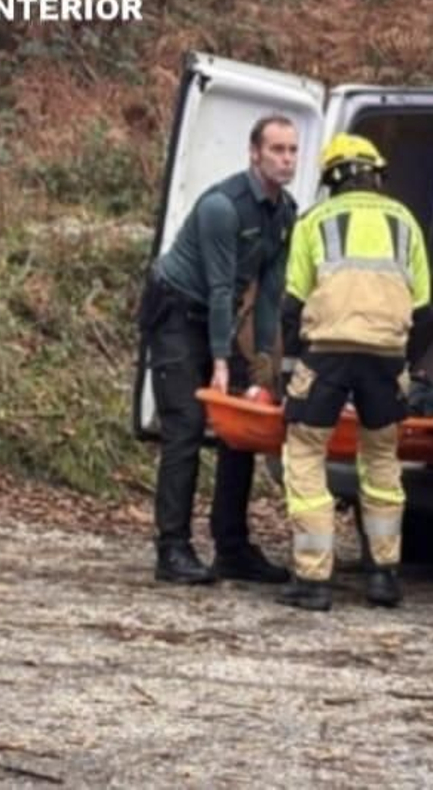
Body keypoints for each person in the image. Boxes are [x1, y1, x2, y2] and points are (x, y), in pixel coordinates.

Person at [141, 115, 299, 586]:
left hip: (219, 314)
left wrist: (266, 364)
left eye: (293, 150)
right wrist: (222, 363)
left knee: (241, 428)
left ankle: (231, 547)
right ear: (254, 153)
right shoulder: (222, 207)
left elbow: (269, 294)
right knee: (186, 427)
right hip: (177, 313)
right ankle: (172, 550)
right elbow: (217, 288)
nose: (286, 159)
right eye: (277, 150)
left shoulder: (285, 212)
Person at [276, 134, 432, 612]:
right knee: (382, 460)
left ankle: (313, 579)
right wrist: (411, 364)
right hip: (386, 358)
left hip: (327, 352)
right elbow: (424, 308)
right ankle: (383, 576)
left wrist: (286, 371)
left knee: (304, 453)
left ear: (331, 180)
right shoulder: (406, 222)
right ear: (376, 174)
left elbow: (292, 303)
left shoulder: (314, 221)